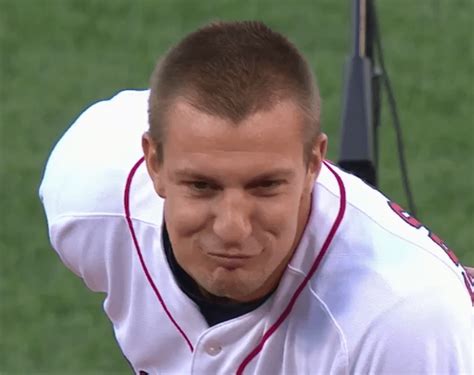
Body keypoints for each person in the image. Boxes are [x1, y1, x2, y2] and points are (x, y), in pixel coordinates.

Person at [39, 21, 472, 374]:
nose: (232, 227)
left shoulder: (402, 321)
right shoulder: (89, 199)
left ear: (314, 165)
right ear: (154, 163)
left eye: (265, 186)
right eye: (202, 186)